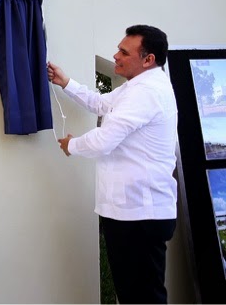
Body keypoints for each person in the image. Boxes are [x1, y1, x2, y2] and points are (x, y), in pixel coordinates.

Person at [47, 25, 178, 304]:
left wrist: (72, 145)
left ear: (148, 59)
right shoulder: (137, 87)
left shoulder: (147, 93)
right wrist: (66, 82)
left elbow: (105, 139)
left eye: (123, 51)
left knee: (142, 297)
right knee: (133, 294)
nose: (115, 55)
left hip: (140, 216)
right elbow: (102, 104)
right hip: (132, 213)